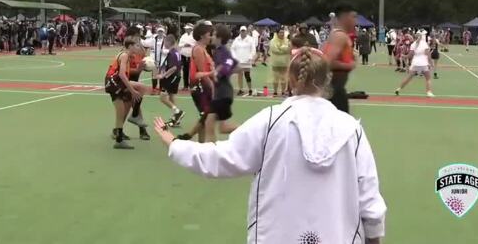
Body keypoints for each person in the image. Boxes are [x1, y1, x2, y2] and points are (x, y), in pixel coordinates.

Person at [153, 46, 387, 244]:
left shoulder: (271, 120)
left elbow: (223, 157)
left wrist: (174, 144)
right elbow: (370, 202)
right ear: (327, 79)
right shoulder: (350, 129)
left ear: (291, 78)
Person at [104, 38, 148, 149]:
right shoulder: (124, 55)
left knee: (142, 87)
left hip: (116, 82)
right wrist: (132, 90)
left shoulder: (126, 55)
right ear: (130, 47)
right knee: (120, 113)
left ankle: (134, 116)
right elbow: (122, 75)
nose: (138, 48)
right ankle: (119, 140)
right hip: (114, 83)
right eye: (136, 46)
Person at [177, 23, 215, 142]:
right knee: (207, 115)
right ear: (202, 35)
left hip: (203, 85)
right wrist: (213, 88)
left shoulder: (203, 49)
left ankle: (200, 144)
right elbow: (202, 73)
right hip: (200, 86)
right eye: (210, 35)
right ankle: (189, 135)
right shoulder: (198, 49)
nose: (211, 37)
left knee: (205, 116)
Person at [204, 24, 239, 143]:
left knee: (209, 124)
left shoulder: (223, 51)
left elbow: (228, 65)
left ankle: (210, 152)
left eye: (213, 34)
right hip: (221, 93)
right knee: (223, 128)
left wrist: (217, 73)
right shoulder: (218, 51)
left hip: (223, 94)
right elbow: (236, 64)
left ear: (219, 37)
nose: (211, 37)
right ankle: (249, 131)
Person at [322, 3, 357, 113]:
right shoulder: (340, 36)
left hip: (335, 88)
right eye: (353, 17)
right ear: (345, 17)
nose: (355, 21)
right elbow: (326, 62)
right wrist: (349, 65)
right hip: (333, 90)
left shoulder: (337, 34)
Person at [395, 31, 435, 97]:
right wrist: (431, 63)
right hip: (423, 63)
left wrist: (404, 56)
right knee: (428, 78)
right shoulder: (424, 44)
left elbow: (410, 55)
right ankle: (429, 92)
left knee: (408, 78)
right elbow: (428, 54)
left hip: (415, 63)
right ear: (421, 37)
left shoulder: (413, 44)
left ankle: (398, 89)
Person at [157, 35, 185, 127]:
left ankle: (178, 112)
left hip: (172, 77)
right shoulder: (177, 52)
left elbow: (173, 67)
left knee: (162, 97)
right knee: (172, 96)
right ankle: (175, 118)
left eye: (165, 42)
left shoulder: (172, 53)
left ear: (169, 42)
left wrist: (163, 75)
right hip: (176, 76)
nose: (164, 43)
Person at [232, 26, 256, 96]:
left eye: (244, 31)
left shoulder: (250, 39)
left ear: (246, 31)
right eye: (242, 31)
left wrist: (250, 56)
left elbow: (253, 49)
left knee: (247, 75)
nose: (243, 32)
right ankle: (240, 89)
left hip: (247, 60)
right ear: (240, 31)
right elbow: (232, 48)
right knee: (239, 75)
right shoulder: (236, 39)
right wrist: (234, 57)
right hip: (239, 60)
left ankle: (250, 89)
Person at [269, 28, 290, 96]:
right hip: (275, 63)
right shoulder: (273, 41)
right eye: (280, 32)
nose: (282, 34)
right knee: (275, 78)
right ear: (277, 33)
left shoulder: (287, 41)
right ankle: (275, 91)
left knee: (283, 78)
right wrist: (283, 49)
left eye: (283, 32)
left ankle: (283, 91)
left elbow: (288, 49)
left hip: (284, 62)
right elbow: (275, 50)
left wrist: (281, 48)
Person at [178, 24, 195, 90]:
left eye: (187, 28)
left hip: (191, 56)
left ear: (190, 29)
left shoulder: (194, 36)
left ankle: (192, 85)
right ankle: (185, 85)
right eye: (186, 28)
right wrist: (184, 45)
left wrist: (190, 45)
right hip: (184, 55)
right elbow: (180, 44)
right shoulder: (183, 36)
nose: (186, 29)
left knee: (192, 71)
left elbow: (196, 44)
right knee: (185, 71)